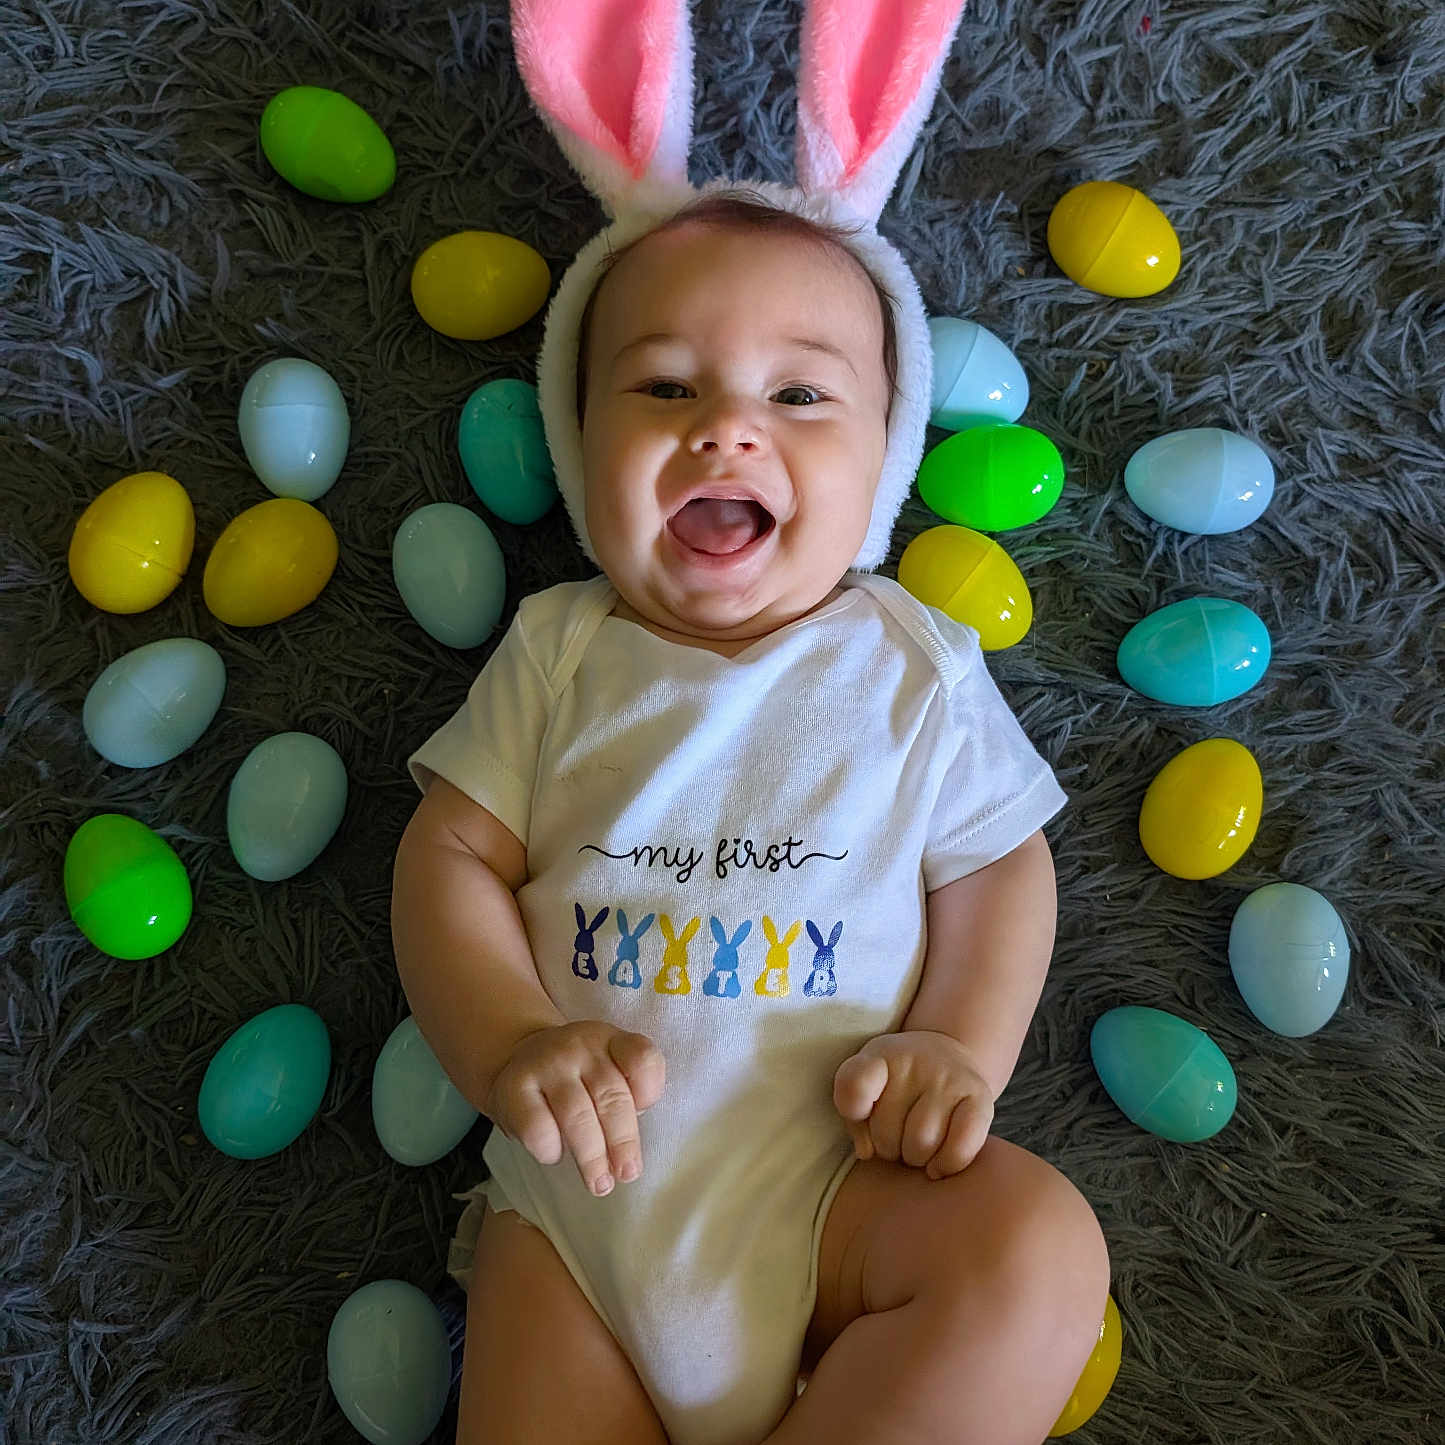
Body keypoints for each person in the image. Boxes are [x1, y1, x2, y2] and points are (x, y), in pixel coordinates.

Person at [392, 4, 1109, 1442]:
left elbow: (996, 863)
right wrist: (511, 1039)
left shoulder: (907, 659)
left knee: (1035, 1250)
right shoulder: (558, 654)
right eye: (662, 388)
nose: (728, 427)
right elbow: (446, 859)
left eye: (798, 393)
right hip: (582, 1209)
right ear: (577, 445)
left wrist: (959, 1050)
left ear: (884, 464)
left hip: (847, 1177)